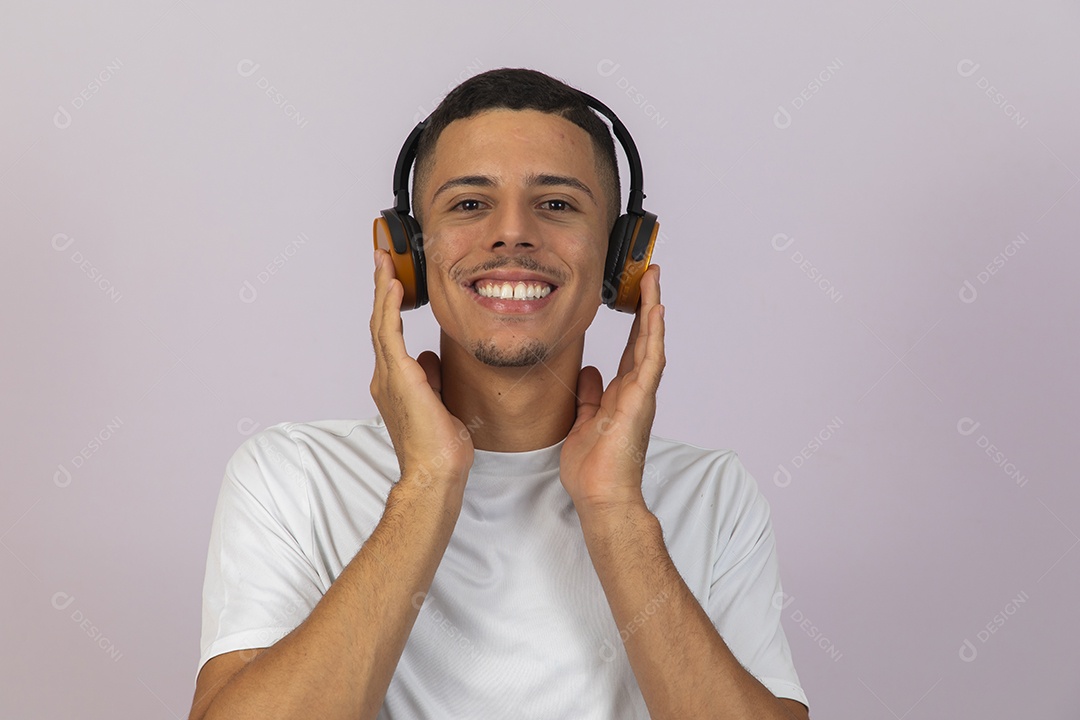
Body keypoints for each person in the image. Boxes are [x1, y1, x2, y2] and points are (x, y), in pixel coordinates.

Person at [188, 68, 810, 720]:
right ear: (408, 256)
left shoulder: (714, 493)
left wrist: (614, 509)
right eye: (468, 204)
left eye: (558, 204)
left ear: (620, 260)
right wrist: (428, 483)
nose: (512, 233)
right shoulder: (290, 477)